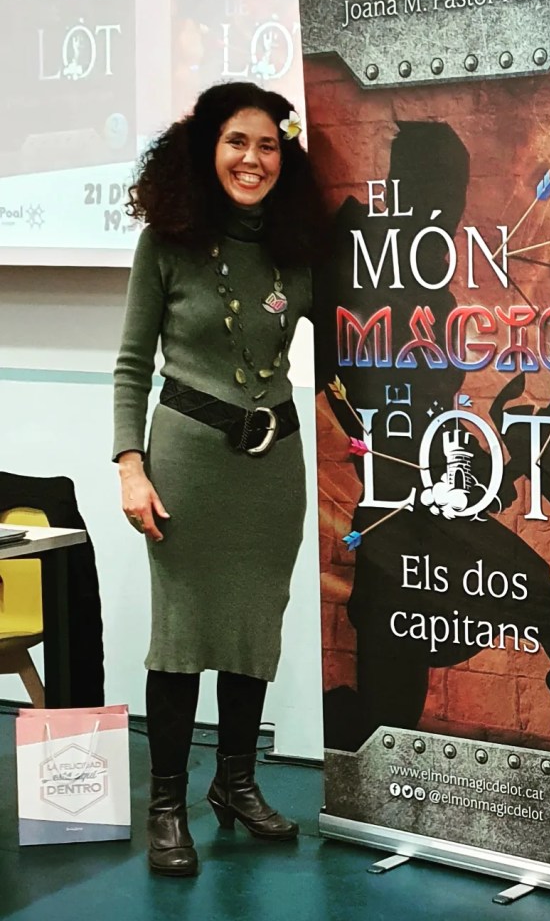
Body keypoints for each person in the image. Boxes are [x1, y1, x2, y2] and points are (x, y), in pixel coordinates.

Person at [113, 81, 329, 877]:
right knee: (180, 639)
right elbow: (131, 365)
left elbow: (355, 329)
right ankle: (167, 807)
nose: (252, 159)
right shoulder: (166, 243)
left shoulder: (297, 246)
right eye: (237, 141)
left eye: (268, 145)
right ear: (207, 149)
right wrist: (130, 466)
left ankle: (236, 785)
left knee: (251, 631)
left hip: (274, 471)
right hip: (187, 465)